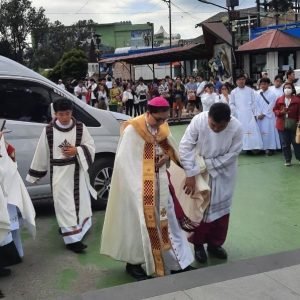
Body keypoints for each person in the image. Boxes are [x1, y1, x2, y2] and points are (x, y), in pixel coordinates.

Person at [101, 97, 196, 280]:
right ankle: (134, 264)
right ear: (148, 112)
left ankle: (178, 264)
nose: (161, 123)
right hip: (138, 187)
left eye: (164, 119)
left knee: (168, 225)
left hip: (160, 184)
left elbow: (171, 151)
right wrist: (137, 188)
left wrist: (167, 159)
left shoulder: (162, 127)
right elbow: (124, 163)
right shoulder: (133, 130)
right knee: (139, 227)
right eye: (158, 119)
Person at [27, 98, 96, 253]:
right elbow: (41, 152)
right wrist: (35, 175)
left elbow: (90, 146)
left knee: (80, 204)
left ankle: (77, 230)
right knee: (64, 205)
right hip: (59, 174)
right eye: (61, 114)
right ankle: (72, 241)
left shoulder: (80, 127)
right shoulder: (49, 130)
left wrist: (77, 150)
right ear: (55, 114)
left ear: (72, 112)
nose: (64, 117)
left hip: (77, 172)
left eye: (67, 113)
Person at [179, 103, 243, 263]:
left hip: (224, 172)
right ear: (208, 117)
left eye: (220, 127)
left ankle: (215, 244)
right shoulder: (198, 121)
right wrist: (190, 174)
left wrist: (208, 165)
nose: (215, 129)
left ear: (228, 121)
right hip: (198, 171)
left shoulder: (237, 128)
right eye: (212, 124)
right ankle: (198, 245)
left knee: (221, 211)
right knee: (201, 207)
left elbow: (234, 153)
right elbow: (185, 146)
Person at [0, 133, 36, 276]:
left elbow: (10, 154)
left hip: (5, 188)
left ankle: (10, 257)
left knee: (8, 223)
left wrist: (4, 144)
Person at [230, 74, 263, 152]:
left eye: (243, 79)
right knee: (240, 131)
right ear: (236, 81)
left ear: (245, 80)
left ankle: (253, 147)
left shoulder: (250, 90)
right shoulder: (233, 92)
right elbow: (231, 103)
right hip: (239, 115)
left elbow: (254, 103)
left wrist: (256, 114)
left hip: (249, 114)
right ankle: (242, 147)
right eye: (239, 79)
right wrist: (236, 111)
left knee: (252, 130)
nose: (241, 81)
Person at [273, 82, 300, 166]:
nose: (287, 89)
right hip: (282, 124)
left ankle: (299, 158)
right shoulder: (279, 99)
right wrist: (281, 112)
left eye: (289, 87)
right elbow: (275, 110)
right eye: (285, 88)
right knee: (284, 144)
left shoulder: (297, 100)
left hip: (294, 124)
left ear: (292, 89)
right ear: (283, 89)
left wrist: (299, 121)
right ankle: (287, 160)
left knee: (296, 143)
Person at [255, 78, 281, 155]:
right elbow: (256, 105)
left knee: (269, 132)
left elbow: (272, 105)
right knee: (261, 132)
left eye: (265, 84)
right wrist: (258, 114)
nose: (263, 85)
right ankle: (262, 148)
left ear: (268, 84)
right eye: (261, 84)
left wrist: (264, 114)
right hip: (260, 116)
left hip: (268, 116)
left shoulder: (273, 94)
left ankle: (270, 148)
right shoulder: (257, 93)